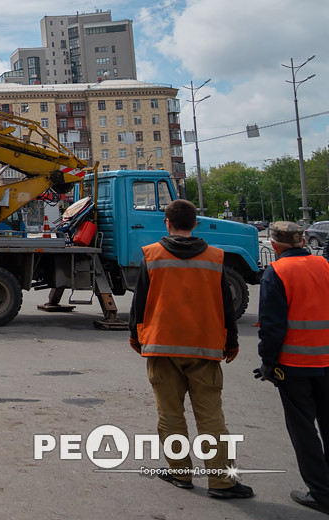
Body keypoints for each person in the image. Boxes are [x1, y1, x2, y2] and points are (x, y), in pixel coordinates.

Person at [129, 198, 253, 499]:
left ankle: (180, 473)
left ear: (167, 223)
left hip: (162, 347)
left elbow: (140, 303)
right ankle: (222, 482)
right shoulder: (215, 257)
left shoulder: (152, 255)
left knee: (170, 415)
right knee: (211, 417)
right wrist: (231, 341)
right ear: (195, 224)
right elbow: (226, 306)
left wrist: (136, 337)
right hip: (204, 347)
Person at [256, 220, 329, 514]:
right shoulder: (325, 266)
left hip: (294, 365)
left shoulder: (277, 272)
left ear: (274, 245)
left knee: (304, 431)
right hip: (327, 361)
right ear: (303, 241)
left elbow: (272, 326)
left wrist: (268, 363)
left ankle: (321, 493)